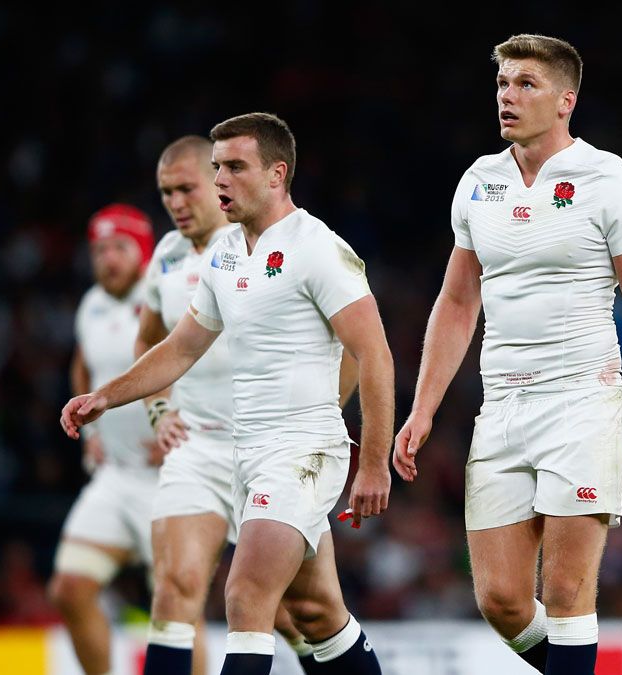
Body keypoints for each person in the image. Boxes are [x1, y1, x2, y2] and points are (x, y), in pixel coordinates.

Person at [60, 112, 393, 675]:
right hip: (245, 451)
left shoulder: (317, 248)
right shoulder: (224, 256)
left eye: (235, 167)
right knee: (315, 612)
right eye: (216, 168)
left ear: (275, 174)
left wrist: (374, 464)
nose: (220, 181)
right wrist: (106, 396)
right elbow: (180, 348)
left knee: (244, 595)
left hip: (302, 451)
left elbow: (375, 355)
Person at [393, 34, 622, 675]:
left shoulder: (610, 182)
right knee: (500, 600)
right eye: (502, 84)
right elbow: (458, 301)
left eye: (526, 84)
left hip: (582, 397)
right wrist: (423, 409)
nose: (508, 96)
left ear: (566, 100)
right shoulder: (479, 182)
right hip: (502, 406)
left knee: (568, 593)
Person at [138, 135, 350, 674]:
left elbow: (353, 346)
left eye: (188, 188)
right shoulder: (164, 257)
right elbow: (153, 340)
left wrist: (321, 418)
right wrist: (160, 411)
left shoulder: (272, 245)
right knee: (178, 585)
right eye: (166, 193)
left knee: (306, 609)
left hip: (276, 452)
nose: (177, 203)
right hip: (199, 445)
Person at [48, 204, 159, 675]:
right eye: (99, 250)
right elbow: (82, 361)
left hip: (170, 477)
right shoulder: (92, 302)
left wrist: (185, 421)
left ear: (143, 251)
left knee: (176, 609)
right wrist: (91, 429)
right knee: (70, 589)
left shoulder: (169, 295)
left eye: (120, 248)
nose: (108, 259)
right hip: (115, 474)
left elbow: (203, 357)